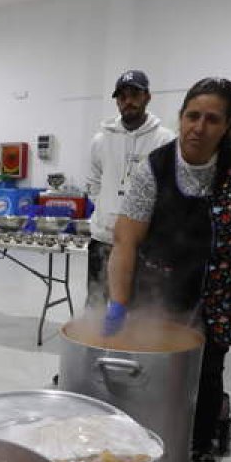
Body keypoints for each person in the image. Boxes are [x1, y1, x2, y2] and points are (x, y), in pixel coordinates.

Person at [105, 77, 231, 462]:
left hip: (225, 285)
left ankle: (199, 449)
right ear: (180, 117)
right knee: (155, 367)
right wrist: (118, 300)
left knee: (208, 368)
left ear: (228, 124)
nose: (199, 128)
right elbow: (126, 238)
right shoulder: (155, 168)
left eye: (212, 119)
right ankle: (146, 444)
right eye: (192, 116)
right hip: (164, 285)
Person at [85, 70, 175, 303]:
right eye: (122, 96)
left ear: (147, 97)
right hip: (103, 239)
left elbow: (169, 192)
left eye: (134, 94)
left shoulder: (164, 141)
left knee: (137, 308)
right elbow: (94, 183)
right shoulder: (101, 140)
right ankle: (94, 340)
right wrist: (108, 212)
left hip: (144, 244)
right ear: (117, 101)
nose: (128, 101)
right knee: (97, 304)